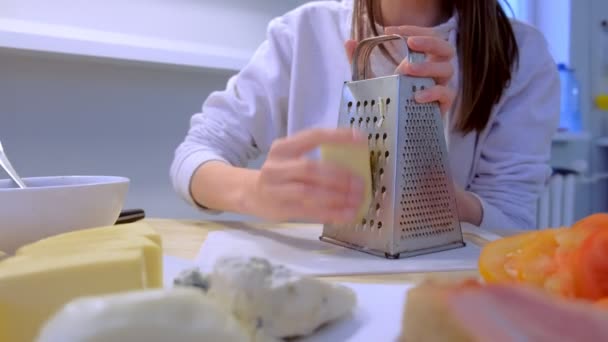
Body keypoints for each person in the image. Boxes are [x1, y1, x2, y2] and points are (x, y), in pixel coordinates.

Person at [170, 0, 559, 230]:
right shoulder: (301, 32)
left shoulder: (521, 55)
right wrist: (254, 192)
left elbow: (510, 222)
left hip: (439, 294)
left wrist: (427, 190)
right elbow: (195, 155)